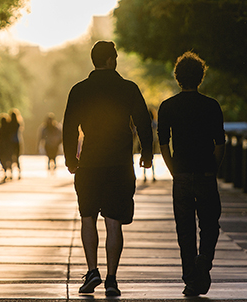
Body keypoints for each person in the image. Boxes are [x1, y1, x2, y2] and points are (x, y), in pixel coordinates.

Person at [63, 40, 153, 297]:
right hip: (119, 164)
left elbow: (69, 126)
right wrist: (147, 153)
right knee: (114, 223)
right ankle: (112, 278)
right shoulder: (128, 88)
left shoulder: (80, 90)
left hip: (90, 163)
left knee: (87, 217)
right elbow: (143, 123)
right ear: (112, 60)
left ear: (94, 60)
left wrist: (71, 159)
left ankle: (92, 271)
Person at [157, 51, 225, 297]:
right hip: (206, 172)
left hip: (182, 174)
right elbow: (220, 144)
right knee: (210, 224)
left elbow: (163, 144)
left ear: (177, 78)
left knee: (184, 228)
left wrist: (173, 169)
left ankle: (190, 279)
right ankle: (204, 260)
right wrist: (213, 168)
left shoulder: (168, 107)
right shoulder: (211, 106)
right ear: (200, 77)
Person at [0, 113, 14, 180]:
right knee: (9, 159)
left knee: (2, 159)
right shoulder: (9, 129)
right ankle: (10, 171)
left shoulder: (1, 129)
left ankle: (6, 170)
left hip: (2, 147)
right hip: (8, 146)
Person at [7, 108, 23, 179]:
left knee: (10, 157)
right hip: (17, 141)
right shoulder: (18, 123)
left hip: (10, 142)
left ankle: (10, 173)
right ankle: (19, 172)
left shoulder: (9, 124)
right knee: (17, 157)